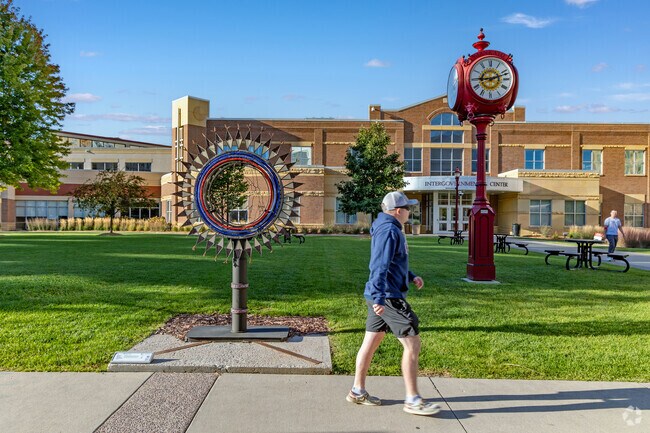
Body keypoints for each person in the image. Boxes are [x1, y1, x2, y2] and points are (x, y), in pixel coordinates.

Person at [346, 191, 441, 416]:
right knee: (412, 344)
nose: (410, 212)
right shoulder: (389, 230)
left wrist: (409, 275)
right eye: (408, 208)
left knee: (372, 340)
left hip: (381, 294)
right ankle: (413, 400)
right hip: (387, 296)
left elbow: (393, 261)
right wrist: (379, 298)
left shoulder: (389, 227)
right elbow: (378, 265)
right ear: (398, 210)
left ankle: (357, 391)